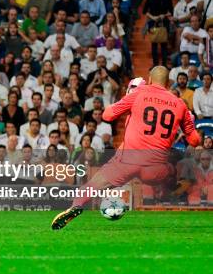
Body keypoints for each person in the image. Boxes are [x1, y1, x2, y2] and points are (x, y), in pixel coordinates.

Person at [51, 68, 201, 230]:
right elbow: (194, 140)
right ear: (168, 83)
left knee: (92, 186)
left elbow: (107, 116)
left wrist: (127, 101)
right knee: (172, 169)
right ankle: (172, 190)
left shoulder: (139, 93)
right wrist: (188, 121)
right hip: (156, 168)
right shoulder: (179, 104)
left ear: (149, 79)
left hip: (127, 161)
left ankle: (76, 206)